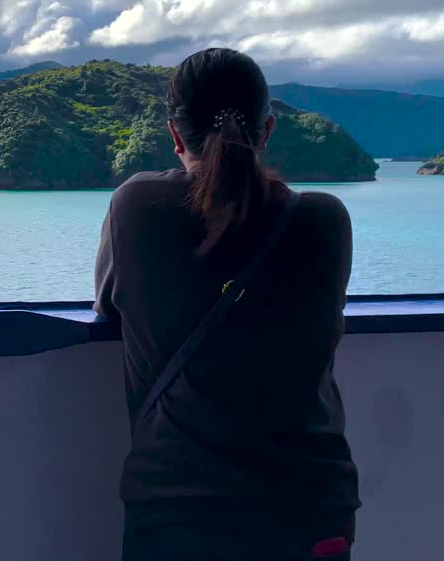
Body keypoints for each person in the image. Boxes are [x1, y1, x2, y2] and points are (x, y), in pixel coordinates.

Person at [95, 48, 360, 560]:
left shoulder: (137, 206)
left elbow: (110, 304)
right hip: (310, 509)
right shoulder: (325, 220)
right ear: (267, 130)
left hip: (177, 513)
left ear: (175, 135)